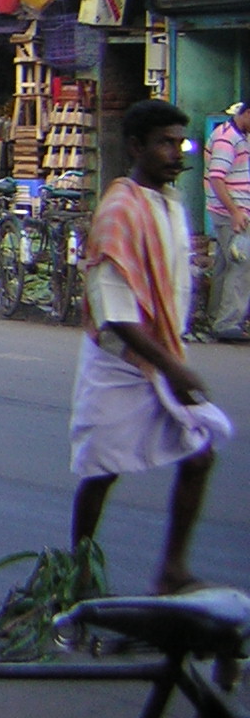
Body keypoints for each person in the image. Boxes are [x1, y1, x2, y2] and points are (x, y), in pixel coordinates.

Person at [70, 100, 233, 595]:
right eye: (164, 143)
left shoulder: (170, 204)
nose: (176, 153)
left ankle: (171, 570)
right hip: (121, 362)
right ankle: (78, 576)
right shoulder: (119, 210)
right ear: (136, 146)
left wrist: (170, 360)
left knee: (199, 455)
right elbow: (116, 316)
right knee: (101, 472)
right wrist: (173, 368)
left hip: (160, 356)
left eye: (180, 143)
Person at [203, 99, 250, 343]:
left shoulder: (240, 136)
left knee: (225, 264)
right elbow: (217, 178)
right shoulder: (227, 138)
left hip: (235, 210)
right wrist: (235, 212)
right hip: (232, 212)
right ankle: (228, 323)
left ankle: (215, 318)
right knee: (242, 264)